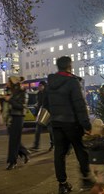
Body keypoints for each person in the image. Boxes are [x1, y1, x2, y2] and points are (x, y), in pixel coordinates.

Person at [43, 56, 93, 194]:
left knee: (59, 153)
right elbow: (79, 105)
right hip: (72, 123)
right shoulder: (72, 82)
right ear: (69, 66)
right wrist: (86, 124)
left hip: (56, 123)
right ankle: (86, 179)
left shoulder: (50, 83)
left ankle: (63, 184)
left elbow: (45, 103)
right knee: (81, 150)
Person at [1, 76, 30, 170]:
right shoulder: (10, 92)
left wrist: (10, 100)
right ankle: (24, 153)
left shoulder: (22, 92)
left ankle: (12, 161)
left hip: (18, 117)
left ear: (13, 82)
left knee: (13, 141)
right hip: (10, 118)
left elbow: (21, 107)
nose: (7, 83)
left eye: (9, 81)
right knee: (15, 140)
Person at [82, 118, 104, 194]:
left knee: (98, 180)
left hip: (92, 164)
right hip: (102, 164)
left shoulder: (88, 141)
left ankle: (100, 190)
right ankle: (98, 190)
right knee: (102, 180)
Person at [30, 81, 54, 151]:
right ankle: (36, 145)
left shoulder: (48, 93)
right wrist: (36, 112)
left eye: (40, 85)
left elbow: (51, 103)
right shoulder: (39, 93)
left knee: (50, 130)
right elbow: (39, 104)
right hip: (42, 112)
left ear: (44, 86)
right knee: (38, 129)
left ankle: (52, 144)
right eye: (39, 86)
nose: (39, 87)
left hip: (49, 113)